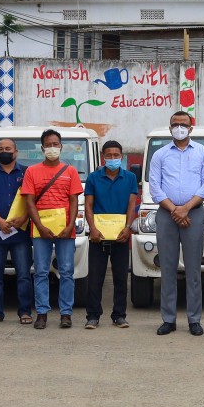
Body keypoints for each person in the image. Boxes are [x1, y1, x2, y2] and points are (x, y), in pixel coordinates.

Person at [150, 111, 204, 337]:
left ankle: (194, 320)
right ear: (170, 128)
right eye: (175, 124)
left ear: (191, 128)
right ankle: (168, 319)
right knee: (167, 269)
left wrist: (185, 208)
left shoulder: (203, 153)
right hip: (167, 215)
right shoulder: (159, 155)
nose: (179, 128)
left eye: (183, 124)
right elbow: (155, 188)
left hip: (193, 214)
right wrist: (174, 209)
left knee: (193, 270)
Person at [22, 129, 83, 330]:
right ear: (42, 148)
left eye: (56, 144)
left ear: (61, 147)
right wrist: (39, 225)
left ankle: (66, 314)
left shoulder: (70, 171)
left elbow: (74, 200)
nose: (52, 148)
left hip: (66, 230)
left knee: (66, 272)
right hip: (40, 230)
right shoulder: (32, 171)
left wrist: (70, 225)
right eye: (48, 144)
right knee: (40, 272)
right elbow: (29, 202)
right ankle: (42, 313)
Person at [83, 140, 138, 329]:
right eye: (109, 155)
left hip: (121, 235)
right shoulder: (93, 178)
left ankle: (119, 315)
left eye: (116, 155)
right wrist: (93, 229)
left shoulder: (130, 177)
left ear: (121, 157)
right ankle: (93, 316)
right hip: (98, 236)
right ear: (103, 157)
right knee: (95, 278)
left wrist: (128, 227)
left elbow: (132, 204)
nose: (113, 158)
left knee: (121, 277)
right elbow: (88, 205)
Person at [0, 138, 34, 326]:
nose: (4, 151)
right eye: (0, 149)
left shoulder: (28, 173)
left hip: (21, 234)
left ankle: (25, 312)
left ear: (16, 152)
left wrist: (24, 218)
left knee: (24, 275)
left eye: (8, 149)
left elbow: (33, 200)